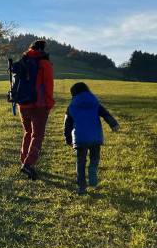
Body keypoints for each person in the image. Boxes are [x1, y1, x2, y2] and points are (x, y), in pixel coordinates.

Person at [63, 82, 119, 195]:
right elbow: (105, 114)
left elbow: (67, 124)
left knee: (81, 163)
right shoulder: (95, 103)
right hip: (95, 137)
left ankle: (82, 187)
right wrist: (113, 124)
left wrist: (68, 138)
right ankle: (93, 173)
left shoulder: (72, 106)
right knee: (94, 158)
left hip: (80, 138)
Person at [18, 39, 55, 180]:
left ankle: (24, 160)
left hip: (23, 104)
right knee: (37, 135)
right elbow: (49, 85)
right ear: (43, 49)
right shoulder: (44, 63)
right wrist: (49, 104)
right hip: (39, 105)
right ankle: (28, 164)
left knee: (28, 132)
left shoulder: (23, 60)